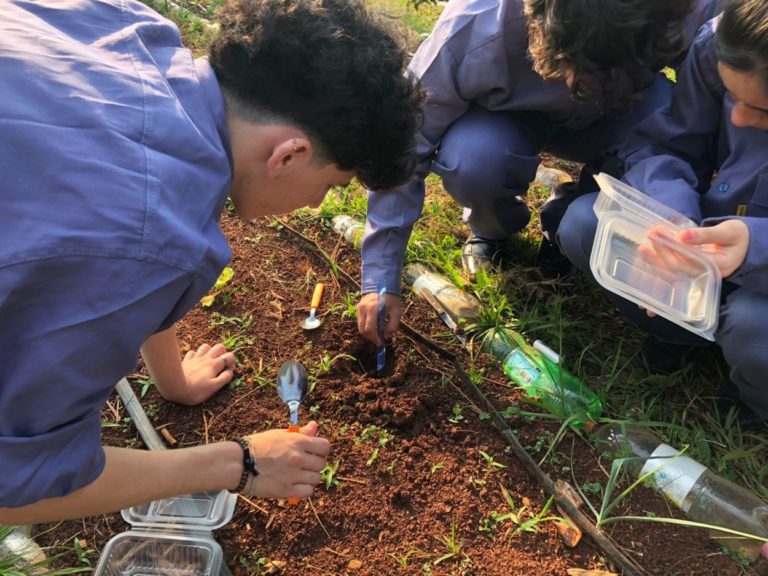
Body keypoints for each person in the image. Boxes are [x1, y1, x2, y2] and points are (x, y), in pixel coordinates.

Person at [0, 0, 422, 524]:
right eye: (330, 186)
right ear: (288, 155)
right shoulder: (146, 238)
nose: (316, 205)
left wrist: (172, 380)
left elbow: (137, 236)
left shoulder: (133, 27)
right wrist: (237, 461)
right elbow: (14, 488)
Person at [356, 0, 723, 346]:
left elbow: (729, 70)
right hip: (506, 118)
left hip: (622, 111)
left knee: (667, 126)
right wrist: (380, 277)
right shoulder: (474, 25)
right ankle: (492, 229)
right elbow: (407, 141)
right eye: (570, 62)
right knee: (474, 160)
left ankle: (568, 218)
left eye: (600, 68)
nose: (576, 84)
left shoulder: (684, 11)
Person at [556, 0, 768, 425]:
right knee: (586, 225)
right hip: (703, 234)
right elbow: (670, 144)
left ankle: (755, 400)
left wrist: (756, 246)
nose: (739, 119)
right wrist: (670, 216)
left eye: (763, 110)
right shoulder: (721, 44)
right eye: (731, 97)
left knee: (752, 329)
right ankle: (679, 330)